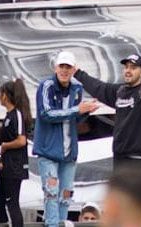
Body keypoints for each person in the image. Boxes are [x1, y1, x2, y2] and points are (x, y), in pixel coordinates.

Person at [75, 53, 141, 183]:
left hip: (140, 159)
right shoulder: (118, 92)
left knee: (140, 201)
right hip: (120, 158)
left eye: (133, 68)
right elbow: (98, 87)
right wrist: (78, 73)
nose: (128, 71)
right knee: (123, 201)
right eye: (126, 67)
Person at [34, 51, 100, 227]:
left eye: (68, 67)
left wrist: (86, 111)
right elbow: (46, 113)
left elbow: (76, 119)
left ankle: (61, 223)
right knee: (51, 191)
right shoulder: (46, 86)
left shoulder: (77, 88)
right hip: (48, 150)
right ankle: (53, 225)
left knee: (66, 194)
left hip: (69, 150)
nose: (64, 70)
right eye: (61, 66)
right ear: (55, 68)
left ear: (73, 69)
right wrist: (77, 110)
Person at [0, 79, 32, 227]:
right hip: (6, 165)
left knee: (12, 202)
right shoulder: (8, 116)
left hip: (15, 166)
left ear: (5, 95)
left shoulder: (17, 114)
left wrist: (5, 145)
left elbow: (21, 140)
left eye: (0, 93)